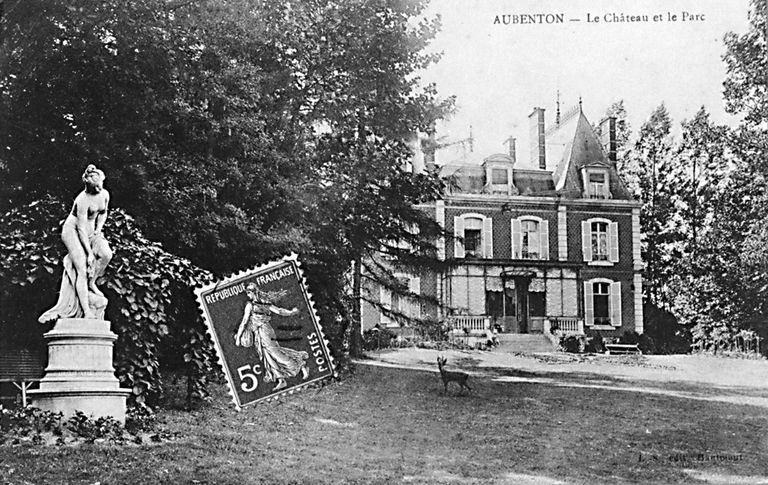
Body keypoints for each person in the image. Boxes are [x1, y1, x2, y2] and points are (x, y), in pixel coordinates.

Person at [39, 165, 112, 323]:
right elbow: (80, 228)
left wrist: (99, 229)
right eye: (96, 187)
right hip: (73, 231)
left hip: (92, 230)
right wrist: (90, 254)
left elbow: (103, 212)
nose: (100, 189)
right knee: (82, 268)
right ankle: (87, 311)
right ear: (88, 185)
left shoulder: (104, 194)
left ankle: (91, 283)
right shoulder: (82, 200)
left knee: (107, 254)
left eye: (101, 184)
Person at [234, 283, 309, 391]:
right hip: (259, 333)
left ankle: (301, 365)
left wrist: (238, 339)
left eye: (248, 293)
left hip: (264, 330)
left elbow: (244, 322)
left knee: (275, 353)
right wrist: (291, 312)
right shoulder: (263, 303)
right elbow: (279, 311)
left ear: (252, 292)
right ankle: (281, 379)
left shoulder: (253, 305)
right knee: (267, 355)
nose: (248, 295)